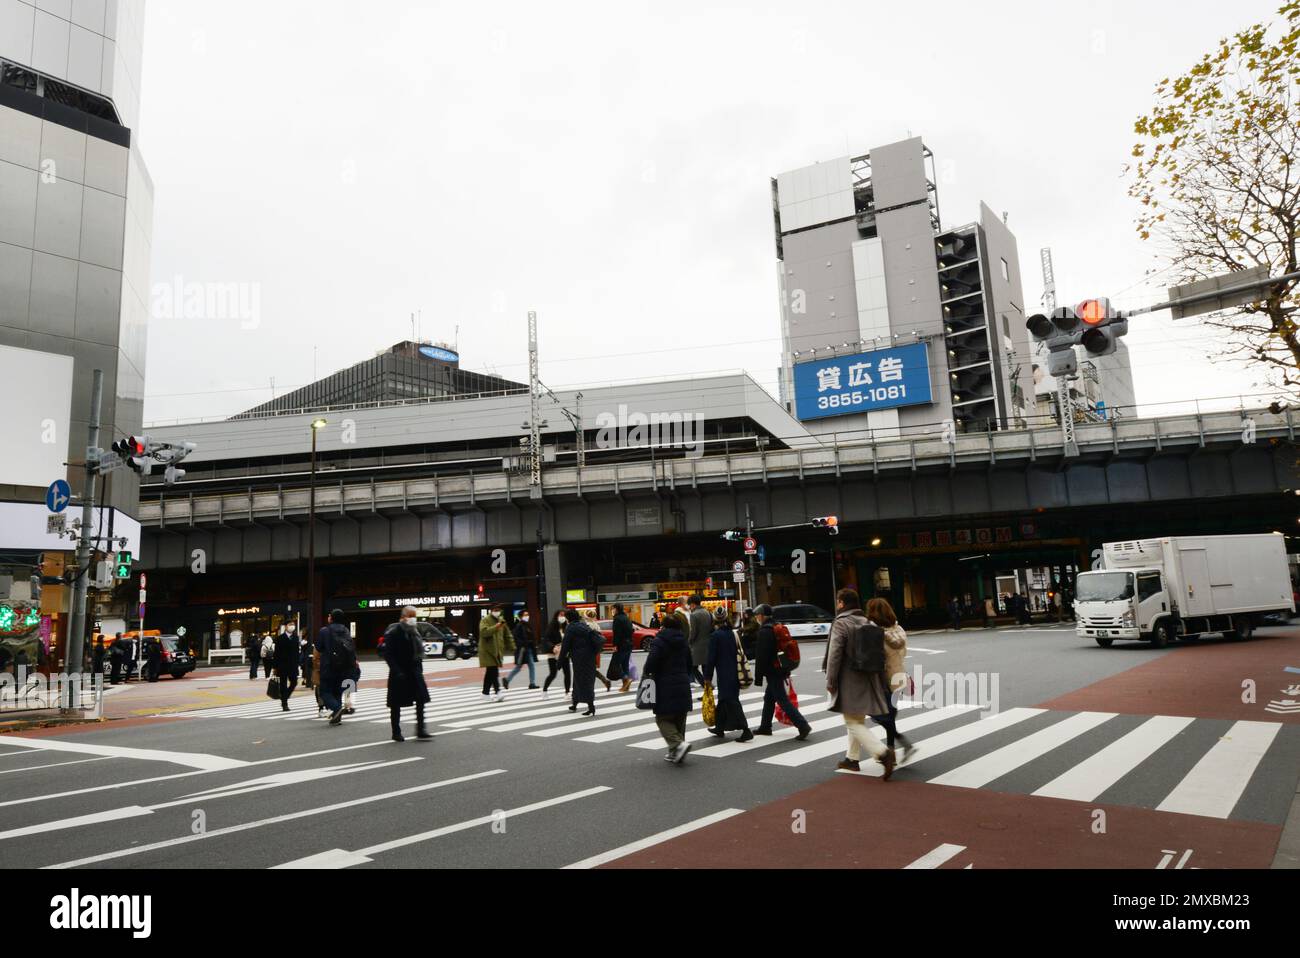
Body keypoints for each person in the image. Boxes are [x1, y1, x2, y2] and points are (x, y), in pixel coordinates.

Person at [825, 589, 895, 778]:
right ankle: (852, 759)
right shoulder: (867, 621)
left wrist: (830, 680)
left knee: (851, 721)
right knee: (857, 719)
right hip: (869, 677)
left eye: (838, 601)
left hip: (849, 679)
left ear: (841, 603)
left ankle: (883, 753)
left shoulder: (841, 623)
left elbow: (835, 654)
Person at [752, 604, 812, 740]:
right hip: (780, 668)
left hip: (773, 670)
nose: (756, 618)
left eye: (757, 615)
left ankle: (803, 725)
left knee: (782, 700)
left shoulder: (765, 631)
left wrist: (758, 677)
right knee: (769, 698)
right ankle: (765, 726)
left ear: (761, 615)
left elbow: (762, 656)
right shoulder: (776, 626)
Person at [868, 596, 915, 766]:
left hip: (885, 680)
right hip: (899, 677)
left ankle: (902, 744)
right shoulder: (899, 629)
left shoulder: (876, 634)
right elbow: (903, 653)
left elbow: (877, 659)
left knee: (878, 716)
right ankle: (892, 751)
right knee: (889, 716)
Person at [645, 609, 693, 762]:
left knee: (663, 718)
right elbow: (690, 664)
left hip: (665, 683)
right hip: (683, 682)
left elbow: (651, 663)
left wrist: (648, 673)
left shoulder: (659, 641)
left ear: (663, 626)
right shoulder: (683, 642)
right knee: (680, 717)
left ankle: (678, 745)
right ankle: (677, 751)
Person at [703, 607, 753, 742]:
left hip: (724, 674)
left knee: (731, 701)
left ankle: (746, 729)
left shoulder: (715, 636)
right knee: (725, 700)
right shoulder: (733, 633)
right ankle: (719, 728)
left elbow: (711, 659)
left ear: (714, 620)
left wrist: (707, 677)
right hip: (735, 672)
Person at [383, 606, 432, 742]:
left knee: (420, 699)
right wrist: (396, 670)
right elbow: (389, 654)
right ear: (403, 617)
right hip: (400, 672)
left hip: (414, 671)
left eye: (414, 615)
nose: (413, 618)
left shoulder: (414, 631)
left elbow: (418, 653)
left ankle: (421, 729)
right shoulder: (394, 632)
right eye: (411, 615)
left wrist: (419, 669)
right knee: (396, 703)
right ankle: (396, 731)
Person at [560, 609, 602, 716]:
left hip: (579, 658)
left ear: (568, 618)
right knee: (584, 680)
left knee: (582, 681)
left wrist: (560, 661)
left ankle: (590, 707)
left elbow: (565, 645)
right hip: (589, 657)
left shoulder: (571, 627)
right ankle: (575, 703)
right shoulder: (583, 625)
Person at [315, 610, 354, 725]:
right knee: (337, 691)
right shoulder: (346, 630)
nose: (328, 617)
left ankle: (337, 709)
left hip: (328, 666)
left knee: (324, 691)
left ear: (331, 618)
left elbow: (319, 647)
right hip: (344, 667)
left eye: (329, 615)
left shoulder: (324, 631)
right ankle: (337, 717)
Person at [478, 606, 511, 702]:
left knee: (490, 672)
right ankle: (498, 692)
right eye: (495, 610)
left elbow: (507, 634)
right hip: (487, 650)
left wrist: (512, 646)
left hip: (496, 650)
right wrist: (496, 626)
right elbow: (484, 632)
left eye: (499, 610)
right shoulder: (485, 620)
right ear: (491, 611)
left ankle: (485, 693)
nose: (497, 612)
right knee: (493, 671)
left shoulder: (502, 621)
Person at [504, 610, 538, 690]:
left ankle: (531, 683)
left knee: (529, 666)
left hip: (528, 649)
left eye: (527, 614)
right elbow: (516, 638)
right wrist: (524, 643)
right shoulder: (519, 626)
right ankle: (507, 680)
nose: (527, 616)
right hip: (523, 649)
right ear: (521, 617)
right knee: (521, 667)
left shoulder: (527, 625)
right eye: (525, 615)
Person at [273, 617, 301, 712]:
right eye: (290, 625)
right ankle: (285, 704)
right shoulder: (280, 638)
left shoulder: (295, 637)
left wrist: (298, 664)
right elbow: (276, 653)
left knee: (294, 682)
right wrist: (275, 667)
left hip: (293, 665)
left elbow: (297, 652)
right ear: (285, 627)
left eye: (293, 625)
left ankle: (284, 697)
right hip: (282, 665)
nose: (292, 626)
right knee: (283, 685)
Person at [541, 610, 570, 701]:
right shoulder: (552, 626)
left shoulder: (567, 627)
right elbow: (546, 640)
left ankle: (567, 692)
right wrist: (553, 647)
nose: (563, 617)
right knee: (553, 674)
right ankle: (544, 690)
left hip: (564, 653)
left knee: (567, 673)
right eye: (561, 615)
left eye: (564, 615)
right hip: (553, 652)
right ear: (556, 616)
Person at [582, 608, 613, 692]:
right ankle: (605, 681)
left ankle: (590, 687)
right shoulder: (596, 625)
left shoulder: (587, 625)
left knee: (588, 670)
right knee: (592, 669)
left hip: (589, 651)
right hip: (596, 650)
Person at [686, 595, 711, 688]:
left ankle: (706, 687)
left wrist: (689, 642)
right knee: (706, 670)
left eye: (689, 605)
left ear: (692, 604)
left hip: (697, 646)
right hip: (707, 645)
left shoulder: (694, 615)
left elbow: (693, 632)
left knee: (693, 668)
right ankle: (707, 693)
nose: (689, 607)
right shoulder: (707, 612)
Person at [609, 604, 635, 693]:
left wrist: (615, 645)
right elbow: (632, 630)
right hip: (629, 644)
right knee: (625, 664)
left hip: (621, 644)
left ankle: (626, 679)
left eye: (613, 609)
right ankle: (625, 686)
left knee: (616, 665)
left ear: (616, 609)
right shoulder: (626, 618)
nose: (612, 610)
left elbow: (617, 633)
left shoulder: (617, 619)